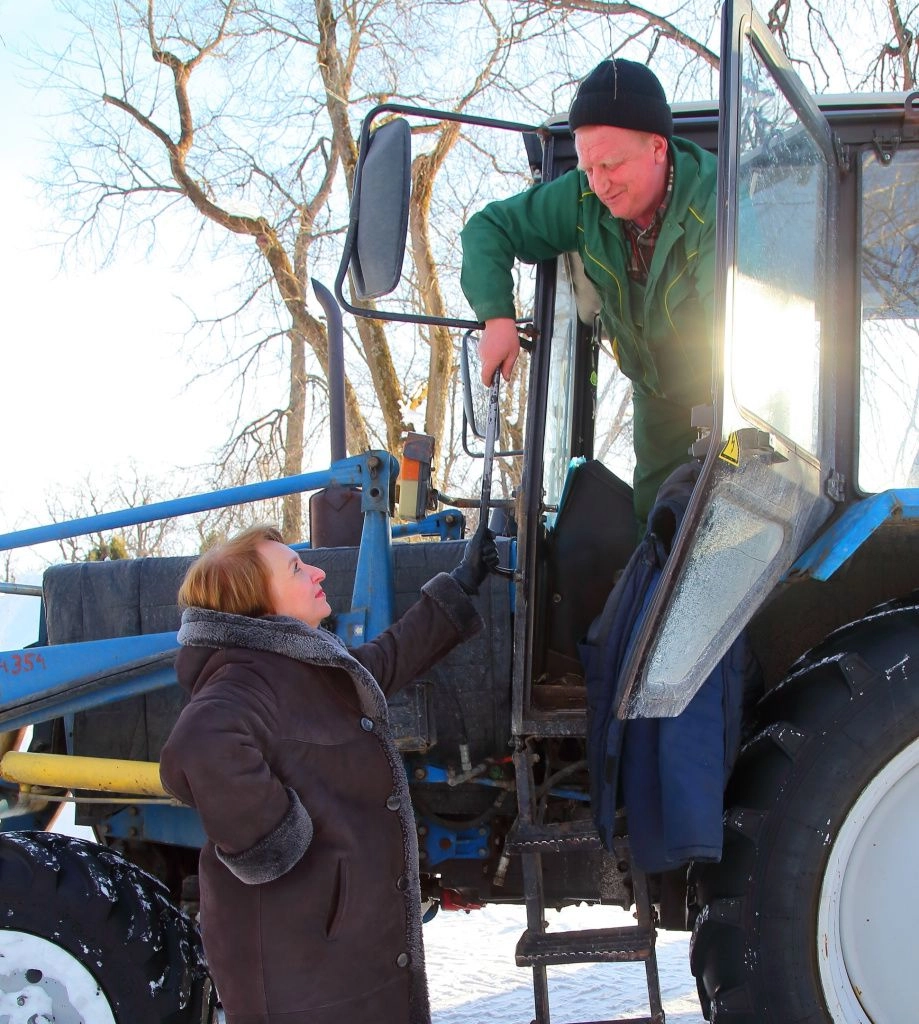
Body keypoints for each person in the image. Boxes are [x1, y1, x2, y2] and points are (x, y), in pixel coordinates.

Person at [159, 523, 498, 1024]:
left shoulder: (292, 668)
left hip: (331, 962)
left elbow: (382, 663)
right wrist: (278, 841)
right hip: (300, 973)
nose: (317, 571)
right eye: (296, 567)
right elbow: (198, 746)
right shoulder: (245, 679)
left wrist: (462, 584)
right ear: (257, 600)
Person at [460, 57, 718, 529]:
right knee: (656, 528)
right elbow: (488, 228)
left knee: (730, 524)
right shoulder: (584, 199)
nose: (598, 183)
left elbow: (737, 323)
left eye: (611, 165)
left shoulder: (715, 203)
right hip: (656, 394)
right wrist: (497, 317)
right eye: (588, 166)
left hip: (728, 392)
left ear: (658, 148)